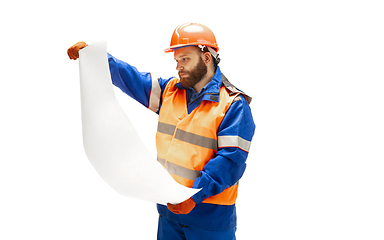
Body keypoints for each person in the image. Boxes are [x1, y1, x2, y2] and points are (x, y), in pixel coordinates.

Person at [68, 22, 255, 240]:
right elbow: (130, 77)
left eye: (185, 59)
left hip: (210, 219)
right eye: (176, 60)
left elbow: (230, 162)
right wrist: (95, 57)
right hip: (169, 213)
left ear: (206, 58)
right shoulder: (169, 92)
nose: (178, 67)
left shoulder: (234, 105)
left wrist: (195, 196)